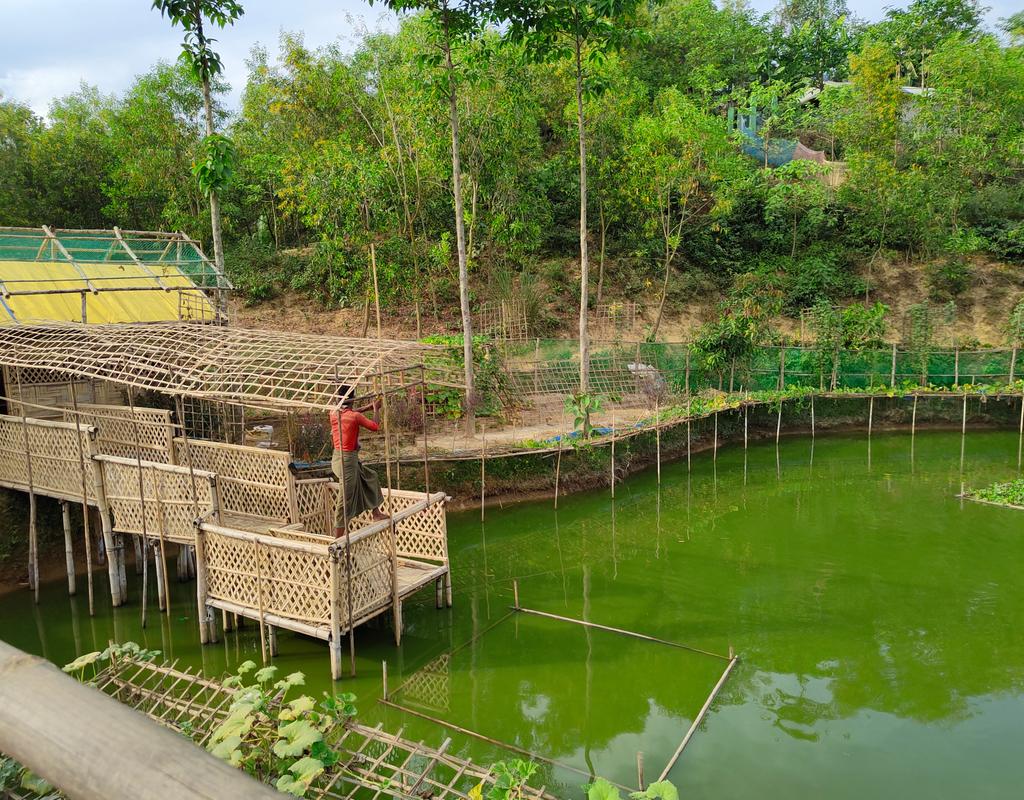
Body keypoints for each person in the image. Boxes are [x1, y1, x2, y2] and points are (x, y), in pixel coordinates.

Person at [330, 386, 387, 538]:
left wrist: (368, 407)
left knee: (370, 476)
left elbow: (352, 413)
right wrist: (376, 410)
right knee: (344, 502)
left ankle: (376, 513)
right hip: (347, 462)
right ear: (353, 399)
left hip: (338, 458)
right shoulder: (354, 417)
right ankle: (338, 541)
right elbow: (375, 426)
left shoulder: (333, 412)